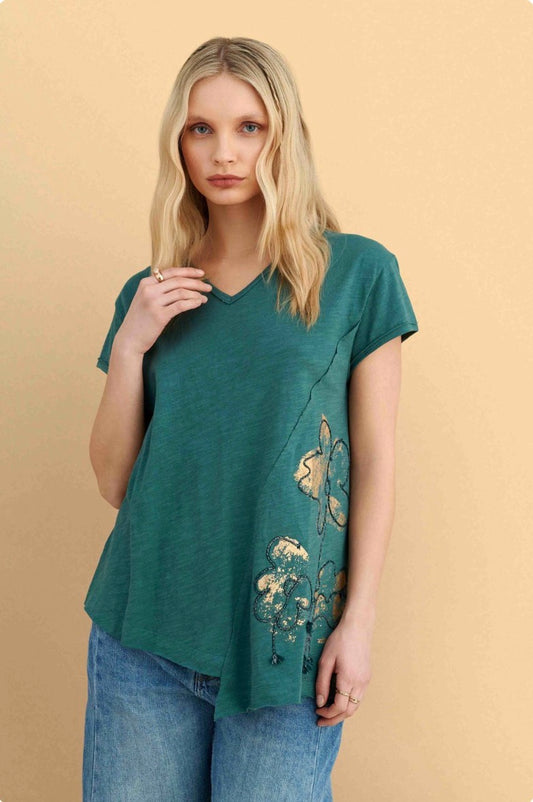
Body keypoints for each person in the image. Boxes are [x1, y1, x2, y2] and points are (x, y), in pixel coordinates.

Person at [82, 36, 419, 802]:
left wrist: (357, 621)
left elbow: (374, 461)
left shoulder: (356, 274)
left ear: (282, 135)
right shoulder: (151, 294)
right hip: (144, 631)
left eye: (248, 127)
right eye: (200, 128)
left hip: (286, 640)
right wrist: (131, 344)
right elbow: (114, 481)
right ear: (178, 143)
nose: (224, 152)